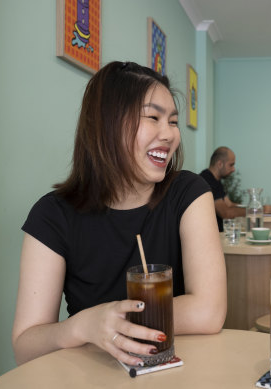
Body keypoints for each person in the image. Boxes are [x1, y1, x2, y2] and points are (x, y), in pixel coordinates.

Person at [12, 61, 227, 367]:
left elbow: (209, 312)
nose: (169, 134)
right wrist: (83, 326)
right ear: (107, 124)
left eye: (174, 121)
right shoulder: (52, 215)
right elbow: (25, 346)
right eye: (153, 117)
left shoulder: (189, 192)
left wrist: (116, 320)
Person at [199, 147, 271, 231]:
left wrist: (256, 207)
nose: (233, 169)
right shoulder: (206, 181)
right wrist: (258, 210)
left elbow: (230, 204)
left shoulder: (215, 180)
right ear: (219, 164)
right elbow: (226, 213)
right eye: (231, 165)